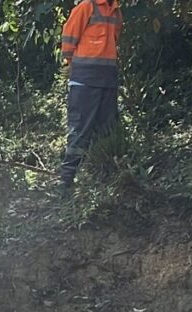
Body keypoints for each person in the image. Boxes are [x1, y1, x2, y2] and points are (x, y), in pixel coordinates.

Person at [59, 0, 122, 191]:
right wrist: (71, 64)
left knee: (108, 129)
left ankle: (107, 181)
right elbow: (69, 37)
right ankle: (65, 183)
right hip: (85, 79)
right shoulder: (86, 7)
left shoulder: (116, 11)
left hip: (107, 79)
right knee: (80, 129)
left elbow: (115, 40)